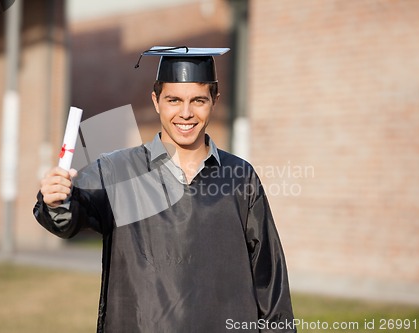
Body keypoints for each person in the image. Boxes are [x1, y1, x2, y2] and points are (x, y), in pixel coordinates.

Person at [34, 46, 296, 333]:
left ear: (214, 100)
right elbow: (69, 219)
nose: (186, 113)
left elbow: (269, 279)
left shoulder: (241, 177)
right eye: (173, 100)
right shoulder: (116, 171)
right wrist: (57, 200)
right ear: (156, 100)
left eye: (198, 100)